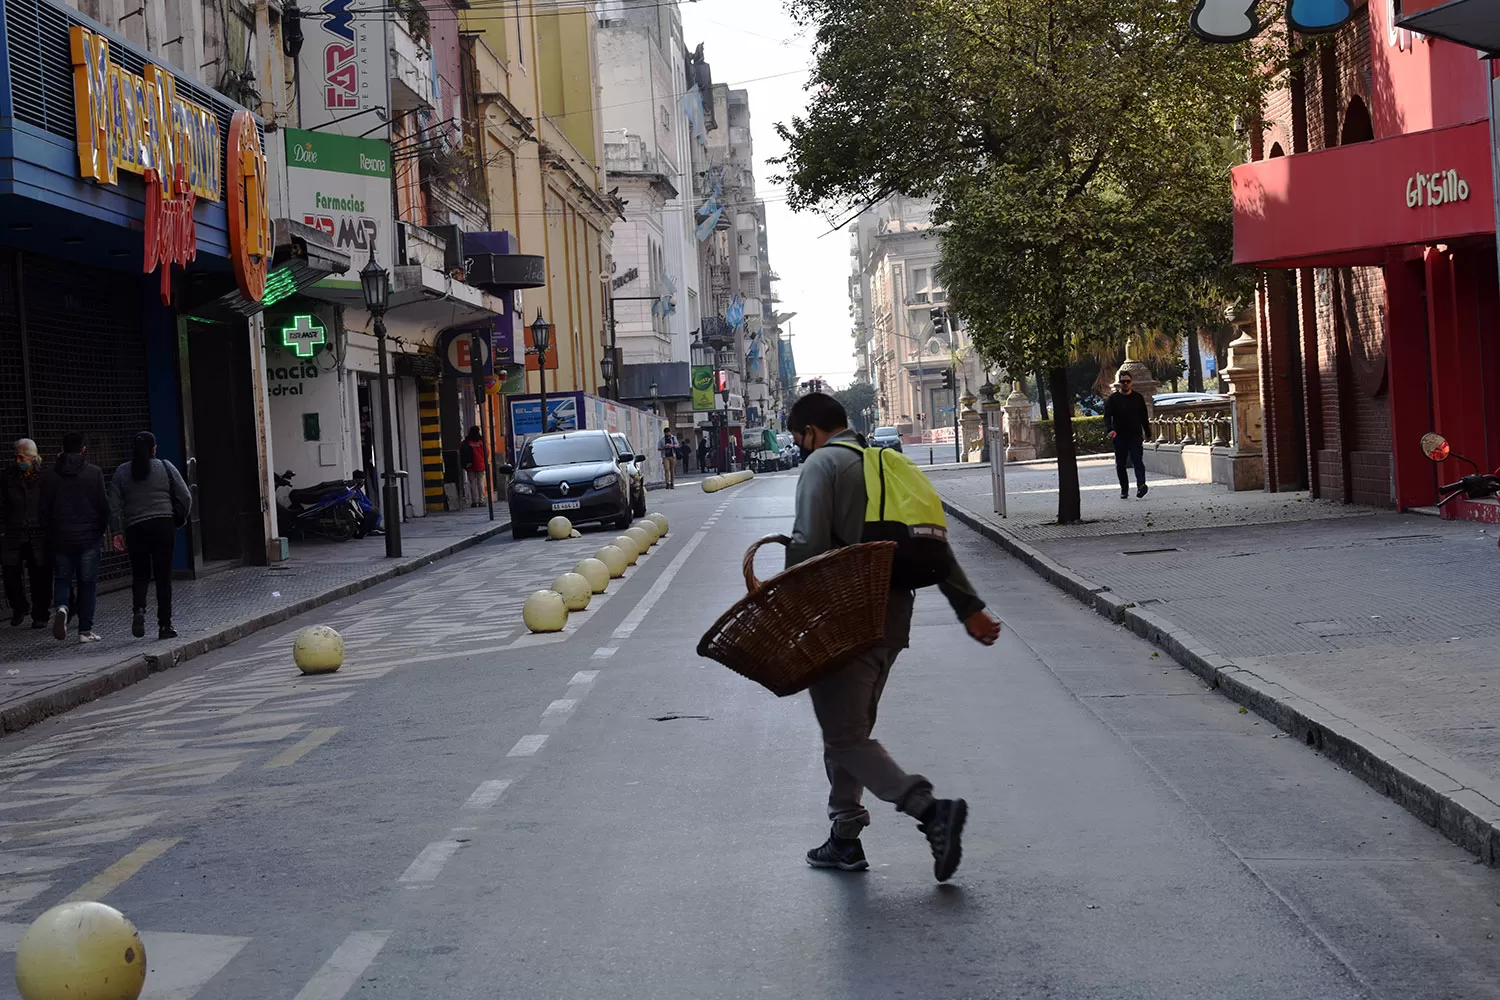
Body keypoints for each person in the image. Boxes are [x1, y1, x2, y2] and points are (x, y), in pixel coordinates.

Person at [786, 392, 1003, 882]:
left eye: (799, 440)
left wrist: (788, 608)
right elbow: (932, 542)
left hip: (842, 619)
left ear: (811, 433)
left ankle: (929, 810)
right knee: (849, 731)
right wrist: (968, 607)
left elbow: (807, 544)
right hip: (891, 621)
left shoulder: (823, 465)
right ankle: (844, 835)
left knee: (844, 736)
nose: (800, 449)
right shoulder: (886, 464)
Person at [108, 431, 188, 641]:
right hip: (163, 524)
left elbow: (114, 505)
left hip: (136, 528)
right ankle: (164, 626)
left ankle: (139, 611)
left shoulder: (122, 472)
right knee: (163, 577)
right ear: (154, 449)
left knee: (141, 574)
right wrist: (180, 518)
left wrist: (116, 531)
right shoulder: (165, 466)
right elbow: (185, 495)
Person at [40, 432, 108, 643]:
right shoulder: (94, 473)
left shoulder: (50, 476)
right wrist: (101, 530)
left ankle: (62, 607)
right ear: (83, 449)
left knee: (62, 579)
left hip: (61, 538)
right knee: (87, 583)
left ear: (63, 449)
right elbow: (103, 506)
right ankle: (85, 631)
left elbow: (43, 511)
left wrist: (51, 533)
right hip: (89, 538)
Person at [2, 439, 52, 629]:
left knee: (41, 576)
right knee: (10, 575)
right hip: (14, 533)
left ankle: (41, 614)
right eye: (15, 456)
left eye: (21, 457)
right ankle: (19, 607)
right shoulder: (7, 477)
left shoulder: (44, 477)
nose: (17, 460)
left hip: (38, 534)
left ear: (33, 458)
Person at [1103, 371, 1152, 499]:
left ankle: (1141, 485)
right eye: (1123, 382)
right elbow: (1107, 417)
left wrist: (1148, 433)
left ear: (1131, 382)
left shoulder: (1138, 398)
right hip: (1119, 436)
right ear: (1119, 383)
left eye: (1127, 381)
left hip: (1135, 435)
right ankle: (1124, 489)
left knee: (1137, 461)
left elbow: (1143, 417)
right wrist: (1110, 430)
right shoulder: (1113, 399)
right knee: (1121, 464)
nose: (1125, 384)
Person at [460, 426, 488, 507]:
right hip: (480, 464)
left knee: (472, 483)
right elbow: (487, 452)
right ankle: (481, 500)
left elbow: (462, 452)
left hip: (470, 465)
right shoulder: (481, 441)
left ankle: (474, 501)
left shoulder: (466, 442)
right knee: (480, 483)